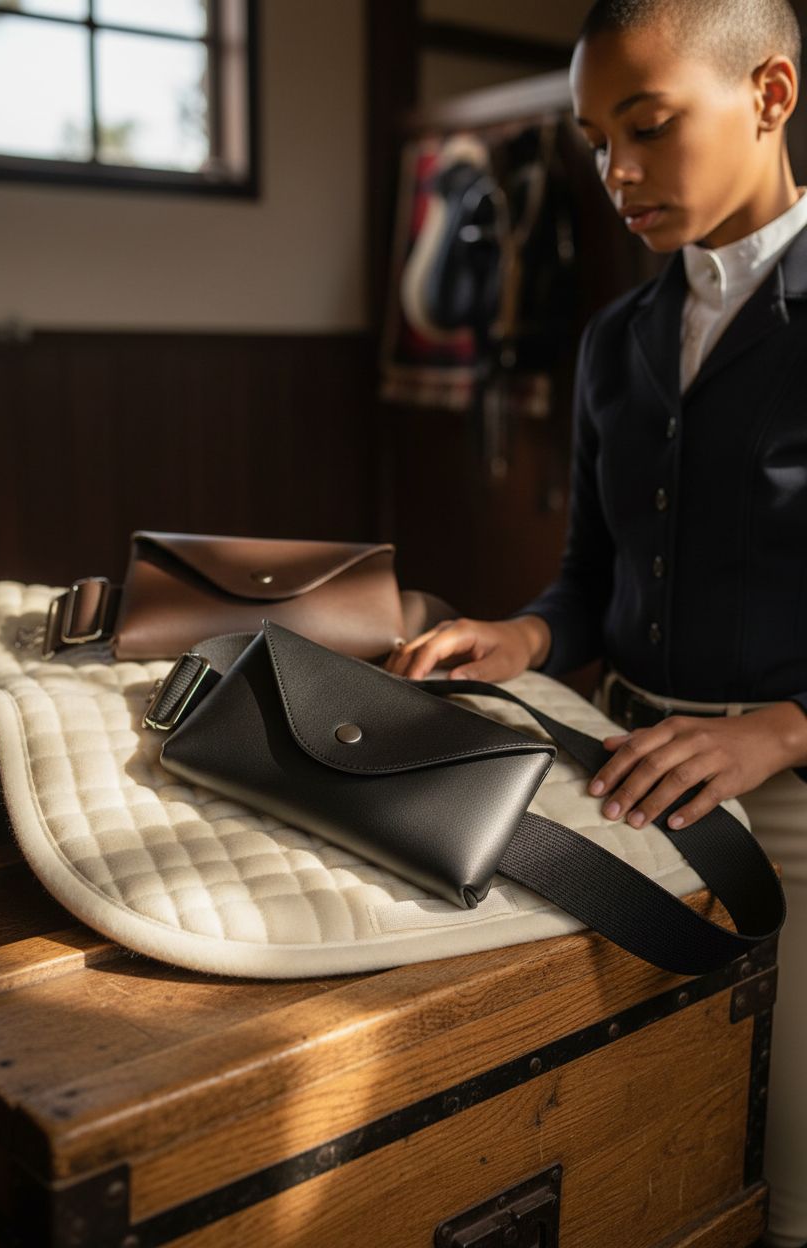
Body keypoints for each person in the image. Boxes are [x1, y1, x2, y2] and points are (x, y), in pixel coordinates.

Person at [386, 1, 807, 1243]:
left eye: (648, 126)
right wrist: (521, 637)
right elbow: (585, 575)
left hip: (790, 794)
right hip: (619, 765)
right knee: (623, 1139)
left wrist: (781, 730)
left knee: (775, 1173)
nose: (615, 172)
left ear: (770, 96)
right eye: (592, 140)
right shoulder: (614, 339)